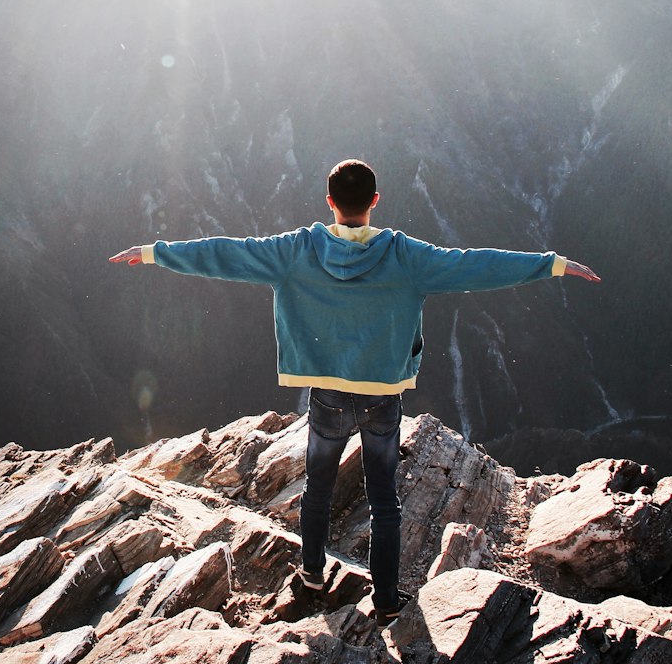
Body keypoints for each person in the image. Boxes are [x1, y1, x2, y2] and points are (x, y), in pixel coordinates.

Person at [110, 159, 599, 625]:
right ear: (375, 201)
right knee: (384, 501)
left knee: (318, 489)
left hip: (326, 392)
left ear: (329, 202)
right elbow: (476, 265)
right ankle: (386, 599)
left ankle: (312, 578)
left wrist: (155, 252)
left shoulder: (296, 251)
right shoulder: (406, 256)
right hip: (383, 394)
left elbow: (226, 253)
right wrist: (551, 264)